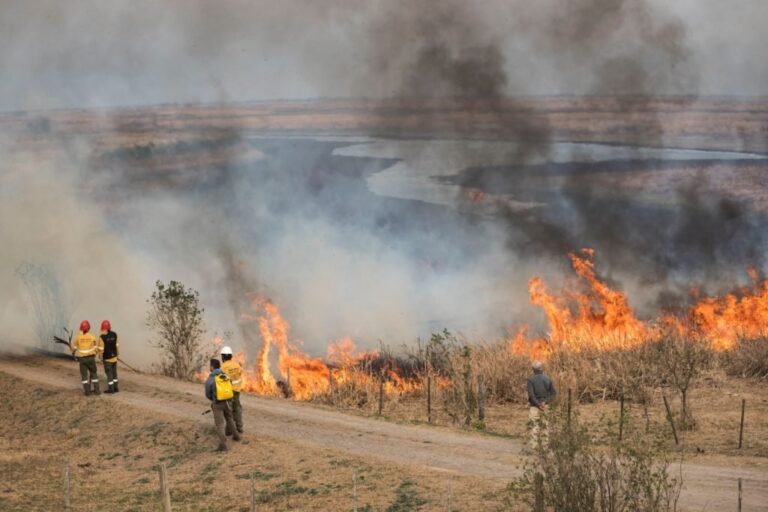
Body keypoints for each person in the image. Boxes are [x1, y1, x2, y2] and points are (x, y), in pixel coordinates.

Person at [204, 358, 240, 451]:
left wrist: (214, 399)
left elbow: (207, 393)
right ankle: (236, 436)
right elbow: (231, 386)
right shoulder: (225, 375)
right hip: (227, 402)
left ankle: (223, 445)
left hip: (217, 404)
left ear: (212, 367)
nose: (210, 368)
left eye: (210, 366)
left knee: (220, 424)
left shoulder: (211, 379)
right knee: (230, 419)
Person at [527, 360, 556, 448]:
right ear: (541, 369)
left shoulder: (530, 380)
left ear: (533, 369)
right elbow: (553, 393)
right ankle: (545, 446)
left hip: (535, 407)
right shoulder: (548, 379)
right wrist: (545, 402)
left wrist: (538, 404)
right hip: (545, 406)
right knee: (545, 426)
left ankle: (534, 446)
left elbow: (531, 395)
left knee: (534, 426)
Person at [70, 320, 103, 396]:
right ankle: (97, 391)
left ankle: (87, 392)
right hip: (91, 358)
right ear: (89, 328)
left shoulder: (78, 337)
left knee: (84, 376)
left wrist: (72, 351)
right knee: (94, 374)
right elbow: (96, 347)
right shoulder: (92, 336)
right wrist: (96, 354)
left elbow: (74, 348)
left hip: (82, 359)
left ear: (81, 328)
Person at [220, 346, 244, 435]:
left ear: (223, 357)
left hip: (228, 392)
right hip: (237, 391)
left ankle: (229, 430)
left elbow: (220, 380)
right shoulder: (236, 365)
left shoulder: (223, 367)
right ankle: (239, 427)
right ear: (231, 356)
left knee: (228, 411)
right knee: (237, 409)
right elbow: (240, 374)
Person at [100, 320, 120, 393]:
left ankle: (111, 389)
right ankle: (116, 388)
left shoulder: (102, 337)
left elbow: (101, 349)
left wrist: (100, 357)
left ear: (104, 328)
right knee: (114, 373)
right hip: (114, 358)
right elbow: (117, 345)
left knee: (109, 374)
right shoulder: (115, 334)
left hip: (107, 359)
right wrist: (117, 354)